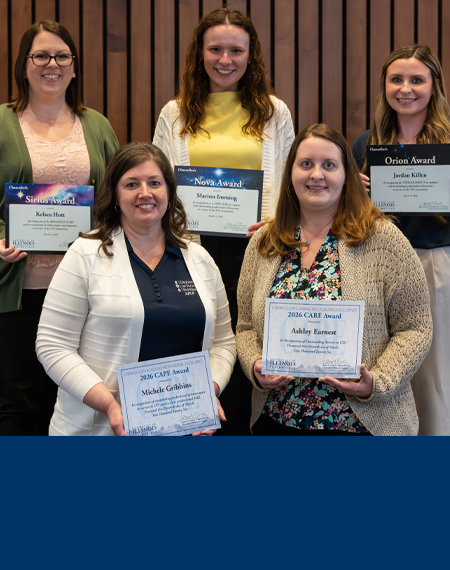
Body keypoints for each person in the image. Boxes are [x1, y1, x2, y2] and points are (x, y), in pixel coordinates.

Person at [236, 123, 432, 436]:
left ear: (347, 175)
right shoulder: (265, 242)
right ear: (291, 173)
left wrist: (376, 382)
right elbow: (245, 327)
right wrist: (255, 366)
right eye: (306, 164)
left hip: (363, 426)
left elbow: (416, 327)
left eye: (329, 165)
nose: (316, 175)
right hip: (278, 422)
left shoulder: (383, 239)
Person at [153, 8, 294, 434]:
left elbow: (291, 184)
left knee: (247, 346)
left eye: (236, 50)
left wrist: (273, 223)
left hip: (256, 250)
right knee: (197, 346)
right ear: (200, 53)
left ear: (252, 56)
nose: (225, 59)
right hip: (190, 252)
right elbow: (158, 183)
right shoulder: (174, 114)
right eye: (215, 49)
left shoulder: (274, 112)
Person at [35, 142, 236, 436]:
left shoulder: (200, 260)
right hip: (99, 431)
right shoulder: (85, 254)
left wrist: (207, 390)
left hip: (183, 430)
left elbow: (223, 344)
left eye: (155, 183)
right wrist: (109, 405)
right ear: (116, 195)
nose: (145, 193)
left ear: (169, 192)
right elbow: (52, 345)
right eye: (132, 184)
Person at [0, 20, 119, 435]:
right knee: (17, 401)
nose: (52, 64)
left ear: (73, 67)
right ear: (24, 65)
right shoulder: (1, 122)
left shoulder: (97, 125)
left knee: (74, 398)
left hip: (83, 289)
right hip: (18, 288)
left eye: (62, 56)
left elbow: (114, 199)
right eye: (41, 55)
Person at [352, 45, 450, 436]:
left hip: (433, 263)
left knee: (433, 370)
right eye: (396, 79)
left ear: (434, 86)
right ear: (384, 86)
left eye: (416, 80)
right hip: (374, 267)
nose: (405, 88)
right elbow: (344, 216)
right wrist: (351, 194)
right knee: (380, 365)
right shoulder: (364, 143)